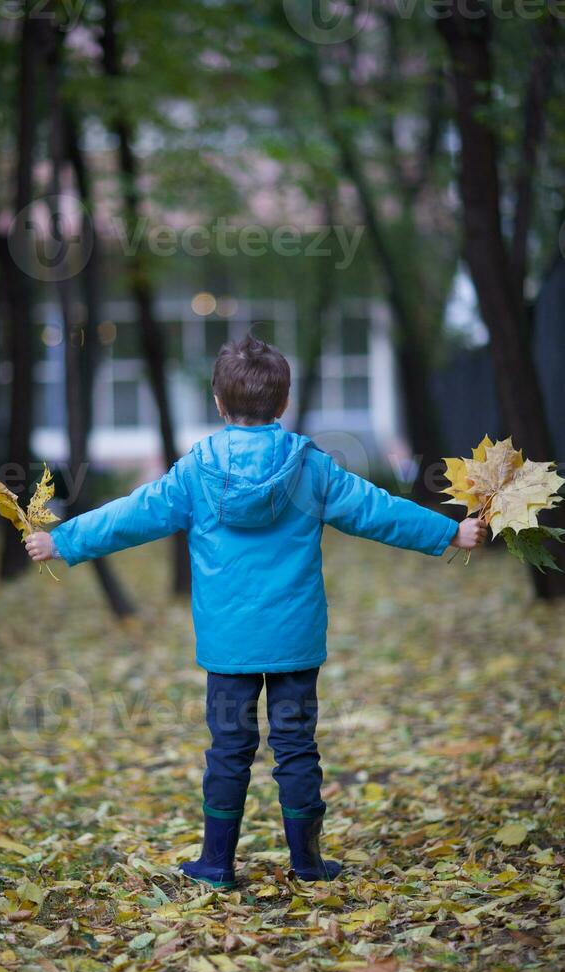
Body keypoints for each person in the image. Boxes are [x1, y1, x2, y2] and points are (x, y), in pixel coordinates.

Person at [26, 334, 486, 888]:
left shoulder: (197, 472)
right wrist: (449, 532)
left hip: (229, 644)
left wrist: (65, 540)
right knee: (296, 747)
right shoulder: (311, 467)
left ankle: (216, 864)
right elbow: (376, 510)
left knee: (228, 750)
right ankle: (309, 863)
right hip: (294, 640)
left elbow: (131, 514)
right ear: (284, 402)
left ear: (219, 404)